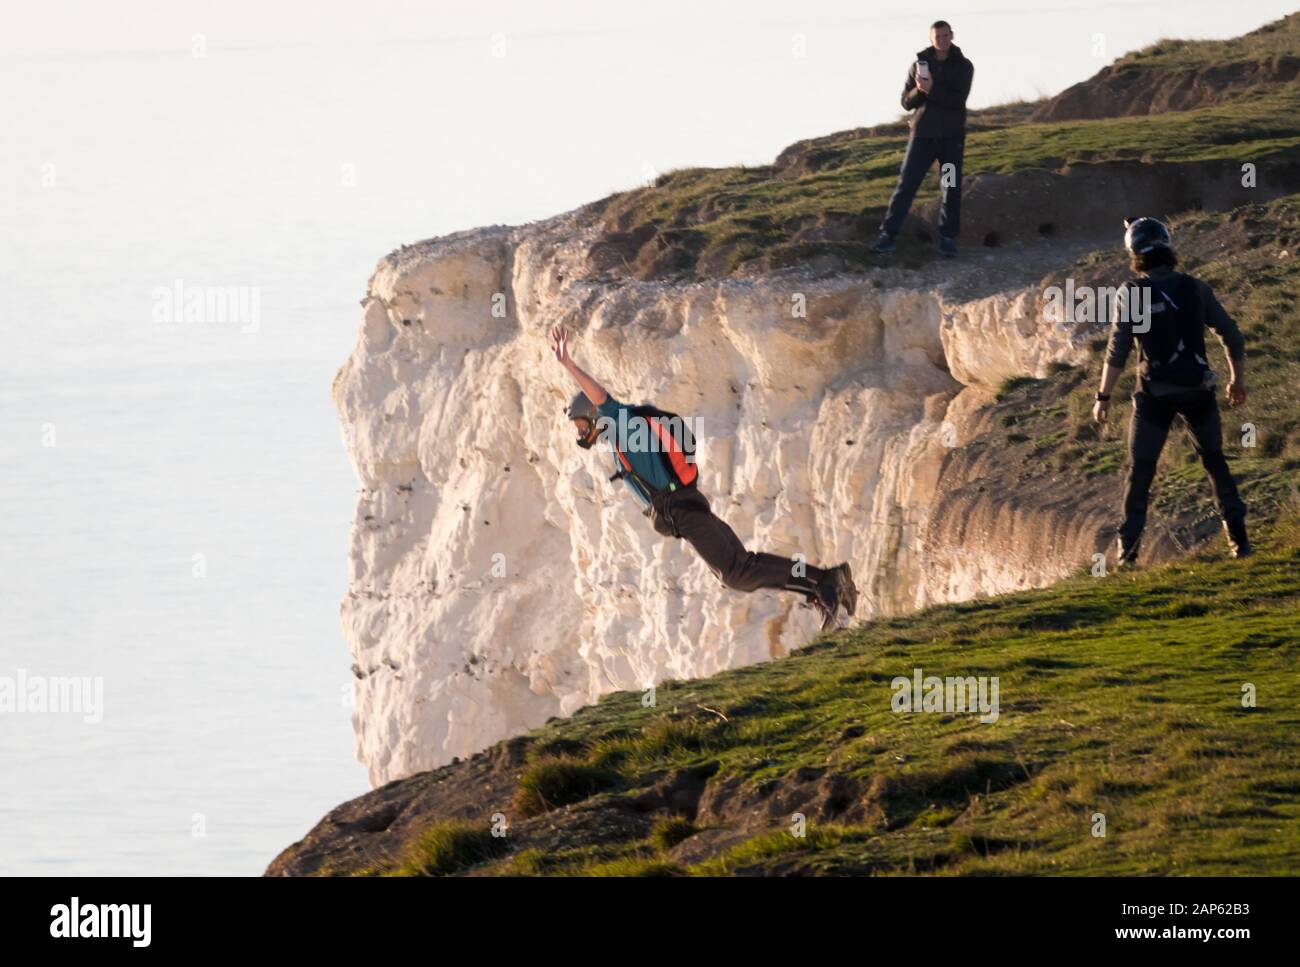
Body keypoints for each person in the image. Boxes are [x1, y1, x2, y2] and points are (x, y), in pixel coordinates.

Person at [549, 324, 857, 630]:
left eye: (579, 424)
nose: (579, 432)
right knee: (742, 569)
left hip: (683, 509)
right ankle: (824, 585)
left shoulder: (623, 427)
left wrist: (568, 364)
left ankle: (825, 583)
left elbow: (603, 398)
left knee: (736, 573)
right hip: (685, 508)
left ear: (593, 417)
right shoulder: (620, 444)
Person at [1093, 217, 1251, 566]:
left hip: (1154, 396)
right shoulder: (1196, 288)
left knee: (1141, 473)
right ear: (1168, 248)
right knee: (1215, 463)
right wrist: (1237, 380)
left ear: (1134, 255)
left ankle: (1128, 556)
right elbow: (1232, 335)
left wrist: (1103, 397)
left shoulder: (1131, 293)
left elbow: (1117, 349)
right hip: (1199, 390)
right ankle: (1240, 543)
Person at [871, 20, 974, 258]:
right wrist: (919, 90)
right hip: (923, 138)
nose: (942, 40)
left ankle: (947, 239)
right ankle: (887, 236)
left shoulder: (964, 66)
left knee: (950, 186)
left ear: (952, 36)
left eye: (946, 36)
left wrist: (930, 90)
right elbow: (906, 102)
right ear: (931, 38)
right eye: (937, 36)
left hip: (951, 139)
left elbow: (957, 101)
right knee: (906, 185)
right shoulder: (919, 64)